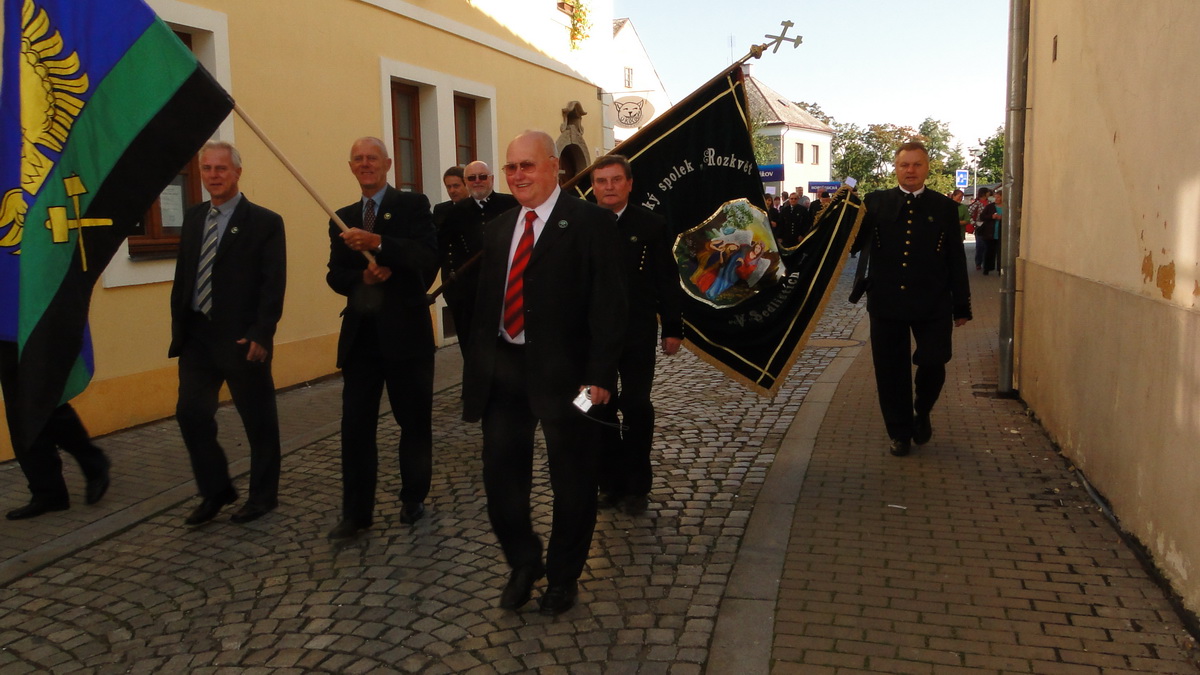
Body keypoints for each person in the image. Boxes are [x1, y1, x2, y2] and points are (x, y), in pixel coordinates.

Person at [461, 130, 626, 616]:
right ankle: (524, 560)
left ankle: (563, 577)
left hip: (571, 378)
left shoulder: (591, 222)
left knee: (572, 480)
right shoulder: (499, 228)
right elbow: (487, 304)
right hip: (505, 371)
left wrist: (600, 375)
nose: (518, 175)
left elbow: (610, 305)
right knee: (500, 476)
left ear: (554, 167)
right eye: (511, 167)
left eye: (527, 165)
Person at [326, 137, 438, 540]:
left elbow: (427, 257)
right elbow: (335, 275)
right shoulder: (341, 218)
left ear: (387, 164)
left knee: (414, 422)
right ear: (351, 167)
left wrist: (378, 244)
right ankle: (356, 513)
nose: (365, 164)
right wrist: (363, 278)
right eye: (358, 159)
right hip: (362, 339)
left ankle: (413, 496)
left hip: (407, 336)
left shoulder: (413, 205)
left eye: (372, 158)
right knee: (355, 427)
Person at [169, 140, 287, 526]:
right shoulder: (193, 218)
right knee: (191, 414)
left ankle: (263, 496)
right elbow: (185, 276)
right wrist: (180, 327)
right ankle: (215, 489)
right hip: (198, 338)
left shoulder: (265, 222)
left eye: (221, 168)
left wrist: (262, 333)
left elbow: (273, 284)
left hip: (241, 339)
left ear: (237, 172)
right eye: (207, 168)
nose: (213, 175)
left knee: (259, 422)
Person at [850, 141, 971, 457]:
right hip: (887, 300)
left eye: (917, 164)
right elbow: (852, 244)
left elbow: (956, 259)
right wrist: (842, 212)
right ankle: (900, 433)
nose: (911, 170)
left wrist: (962, 304)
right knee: (890, 372)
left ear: (927, 168)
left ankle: (922, 409)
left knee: (934, 360)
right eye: (905, 165)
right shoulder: (876, 203)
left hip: (932, 301)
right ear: (896, 168)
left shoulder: (944, 207)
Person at [590, 155, 684, 516]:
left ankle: (636, 486)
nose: (609, 187)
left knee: (636, 406)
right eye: (601, 181)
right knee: (596, 407)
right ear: (593, 187)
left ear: (629, 184)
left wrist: (672, 327)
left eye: (616, 180)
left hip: (636, 332)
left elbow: (666, 279)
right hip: (593, 336)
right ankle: (609, 483)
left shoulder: (651, 224)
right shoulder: (580, 224)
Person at [1, 343, 110, 520]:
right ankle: (49, 493)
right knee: (21, 417)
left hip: (34, 333)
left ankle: (93, 463)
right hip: (7, 339)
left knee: (49, 405)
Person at [438, 161, 518, 350]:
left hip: (506, 291)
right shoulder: (455, 213)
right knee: (472, 348)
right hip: (469, 295)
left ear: (492, 179)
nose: (477, 181)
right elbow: (442, 250)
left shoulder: (511, 204)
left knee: (505, 350)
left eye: (482, 177)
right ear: (466, 181)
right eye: (472, 178)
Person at [979, 188, 1003, 275]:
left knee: (1000, 252)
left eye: (998, 197)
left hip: (1001, 233)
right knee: (989, 251)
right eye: (995, 197)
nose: (996, 199)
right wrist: (991, 216)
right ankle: (987, 269)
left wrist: (1002, 218)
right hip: (990, 233)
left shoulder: (1007, 207)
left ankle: (1000, 269)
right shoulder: (990, 207)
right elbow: (982, 217)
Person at [968, 187, 991, 271]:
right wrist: (973, 223)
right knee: (980, 245)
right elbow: (968, 213)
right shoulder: (976, 204)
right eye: (988, 192)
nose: (989, 193)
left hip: (989, 226)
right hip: (980, 226)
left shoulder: (990, 203)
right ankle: (978, 263)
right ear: (984, 193)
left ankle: (986, 263)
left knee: (988, 246)